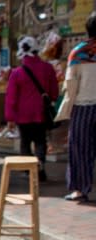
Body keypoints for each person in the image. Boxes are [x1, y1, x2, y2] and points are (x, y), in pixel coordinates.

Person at [4, 36, 59, 183]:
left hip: (23, 115)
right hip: (41, 112)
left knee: (25, 142)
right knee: (41, 140)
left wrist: (10, 117)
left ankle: (29, 171)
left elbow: (11, 97)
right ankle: (40, 166)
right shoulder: (47, 68)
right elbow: (54, 91)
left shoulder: (17, 72)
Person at [57, 11, 96, 202]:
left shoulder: (79, 52)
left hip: (83, 106)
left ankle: (80, 189)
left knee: (80, 149)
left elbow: (70, 84)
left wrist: (66, 105)